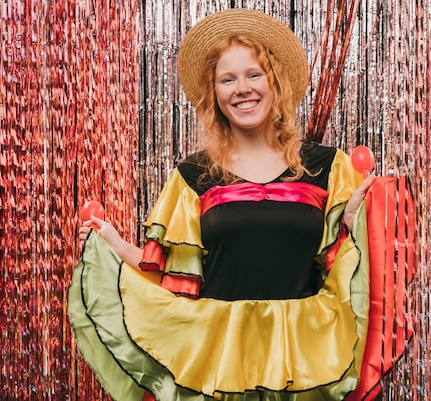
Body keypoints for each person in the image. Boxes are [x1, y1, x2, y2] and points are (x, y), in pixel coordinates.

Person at [69, 8, 376, 401]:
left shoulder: (328, 167)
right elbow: (169, 276)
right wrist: (110, 242)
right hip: (221, 355)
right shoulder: (193, 176)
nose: (242, 88)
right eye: (227, 79)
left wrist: (352, 225)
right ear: (214, 94)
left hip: (302, 355)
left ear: (274, 82)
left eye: (253, 74)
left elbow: (345, 272)